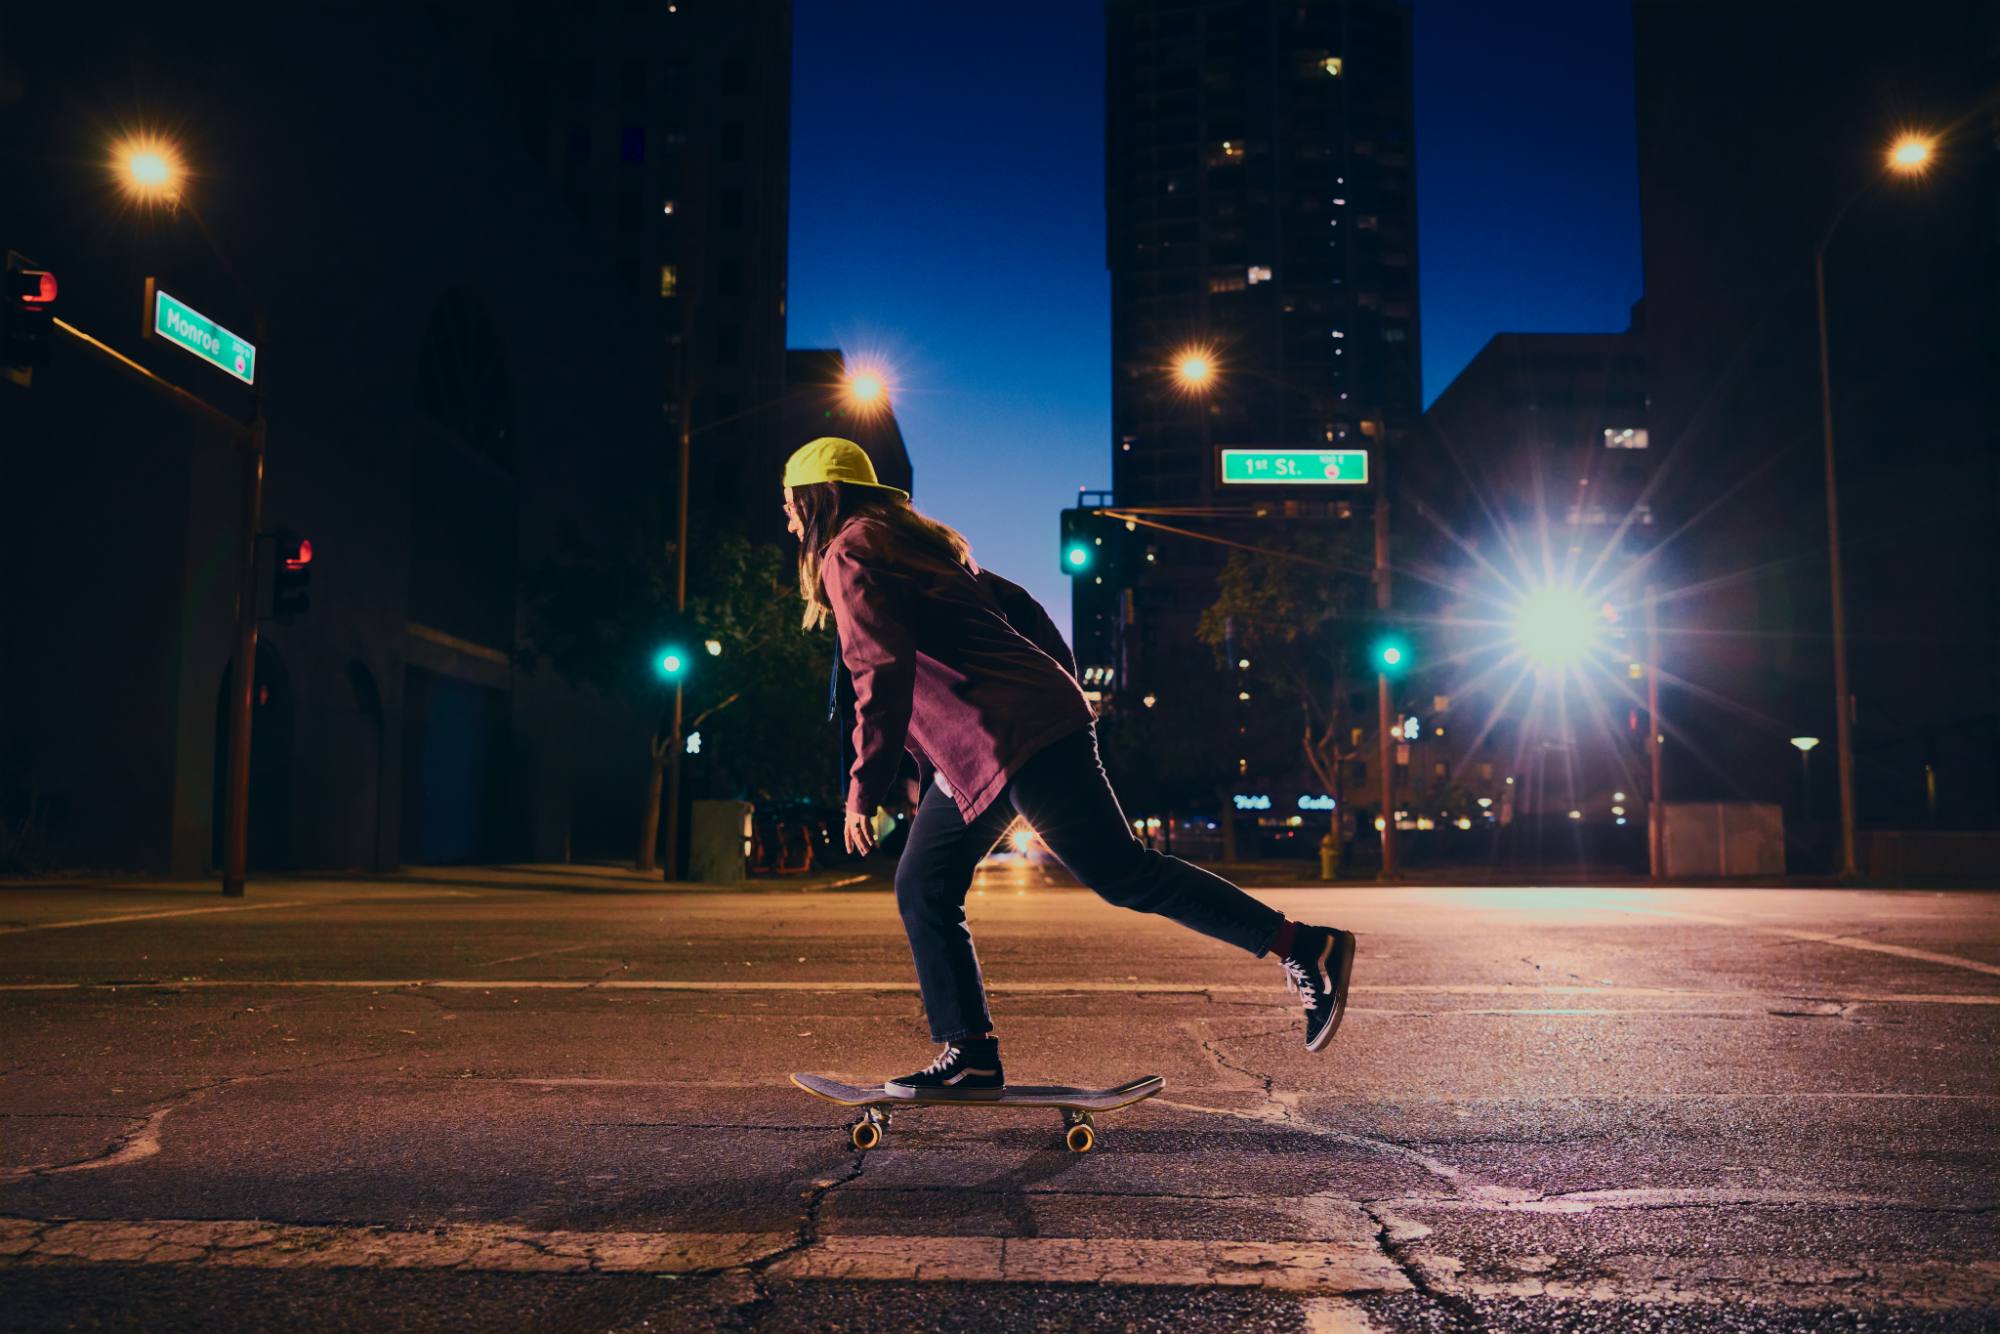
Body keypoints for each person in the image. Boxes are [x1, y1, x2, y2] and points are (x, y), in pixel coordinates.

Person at [784, 437, 1356, 1099]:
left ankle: (1302, 945)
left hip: (1015, 735)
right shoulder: (916, 542)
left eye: (790, 506)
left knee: (1122, 872)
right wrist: (1061, 690)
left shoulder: (849, 550)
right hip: (994, 744)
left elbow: (877, 668)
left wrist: (863, 787)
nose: (788, 521)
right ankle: (969, 1055)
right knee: (924, 885)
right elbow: (1023, 607)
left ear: (816, 498)